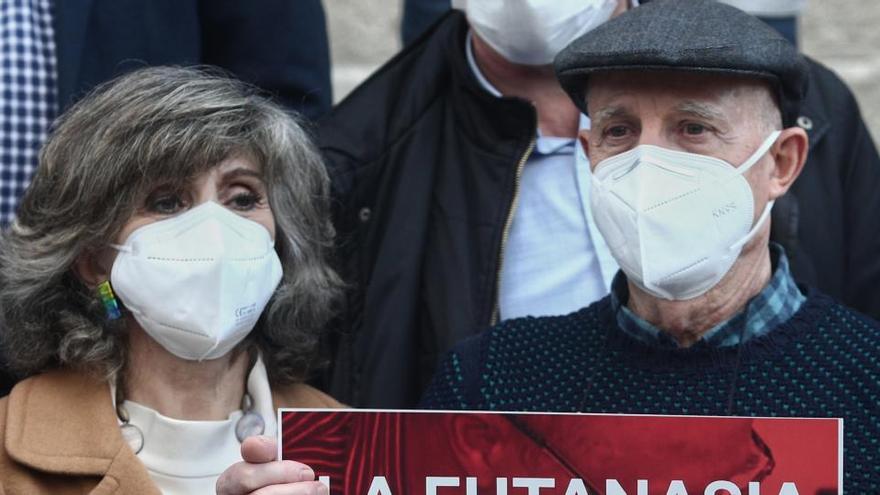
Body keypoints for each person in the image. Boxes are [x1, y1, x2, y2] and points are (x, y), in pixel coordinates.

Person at [320, 0, 880, 409]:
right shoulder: (490, 377)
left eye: (693, 128)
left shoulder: (860, 378)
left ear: (781, 163)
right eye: (619, 131)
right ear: (589, 152)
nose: (649, 163)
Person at [0, 66, 341, 494]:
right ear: (92, 261)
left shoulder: (356, 441)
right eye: (166, 202)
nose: (215, 230)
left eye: (242, 197)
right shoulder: (7, 453)